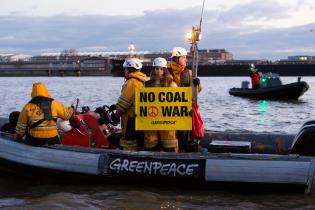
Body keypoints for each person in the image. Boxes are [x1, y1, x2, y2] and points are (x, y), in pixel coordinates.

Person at [14, 82, 74, 146]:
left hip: (35, 140)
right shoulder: (55, 103)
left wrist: (16, 138)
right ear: (46, 91)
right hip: (53, 139)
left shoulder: (27, 107)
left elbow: (20, 129)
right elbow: (67, 116)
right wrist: (71, 109)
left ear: (32, 93)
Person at [167, 47, 203, 152]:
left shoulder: (189, 73)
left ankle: (183, 149)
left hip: (184, 109)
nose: (185, 60)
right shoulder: (167, 72)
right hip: (170, 109)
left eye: (185, 57)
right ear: (176, 59)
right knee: (173, 132)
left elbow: (198, 91)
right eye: (183, 57)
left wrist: (197, 84)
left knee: (184, 133)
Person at [144, 57, 178, 152]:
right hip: (151, 119)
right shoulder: (147, 85)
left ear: (165, 70)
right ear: (153, 70)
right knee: (151, 143)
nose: (159, 71)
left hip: (167, 120)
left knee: (169, 143)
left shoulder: (172, 85)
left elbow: (178, 102)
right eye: (156, 68)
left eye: (161, 69)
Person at [114, 58, 147, 150]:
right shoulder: (141, 81)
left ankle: (128, 157)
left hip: (130, 118)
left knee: (128, 142)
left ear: (129, 69)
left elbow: (123, 104)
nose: (124, 71)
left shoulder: (131, 83)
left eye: (125, 69)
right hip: (138, 117)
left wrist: (116, 115)